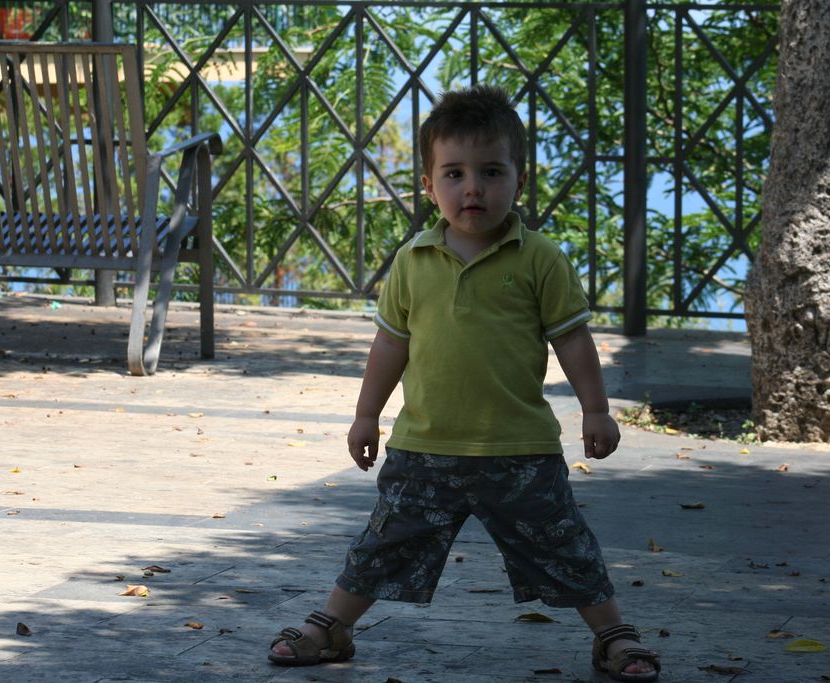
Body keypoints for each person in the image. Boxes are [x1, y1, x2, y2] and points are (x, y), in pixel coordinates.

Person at [268, 84, 660, 682]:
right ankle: (333, 625)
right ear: (429, 186)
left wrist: (596, 409)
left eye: (491, 172)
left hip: (519, 448)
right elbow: (390, 346)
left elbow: (573, 339)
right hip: (426, 445)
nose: (472, 188)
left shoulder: (539, 258)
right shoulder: (412, 261)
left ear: (519, 181)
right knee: (386, 542)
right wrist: (366, 415)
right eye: (454, 174)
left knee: (563, 544)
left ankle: (612, 635)